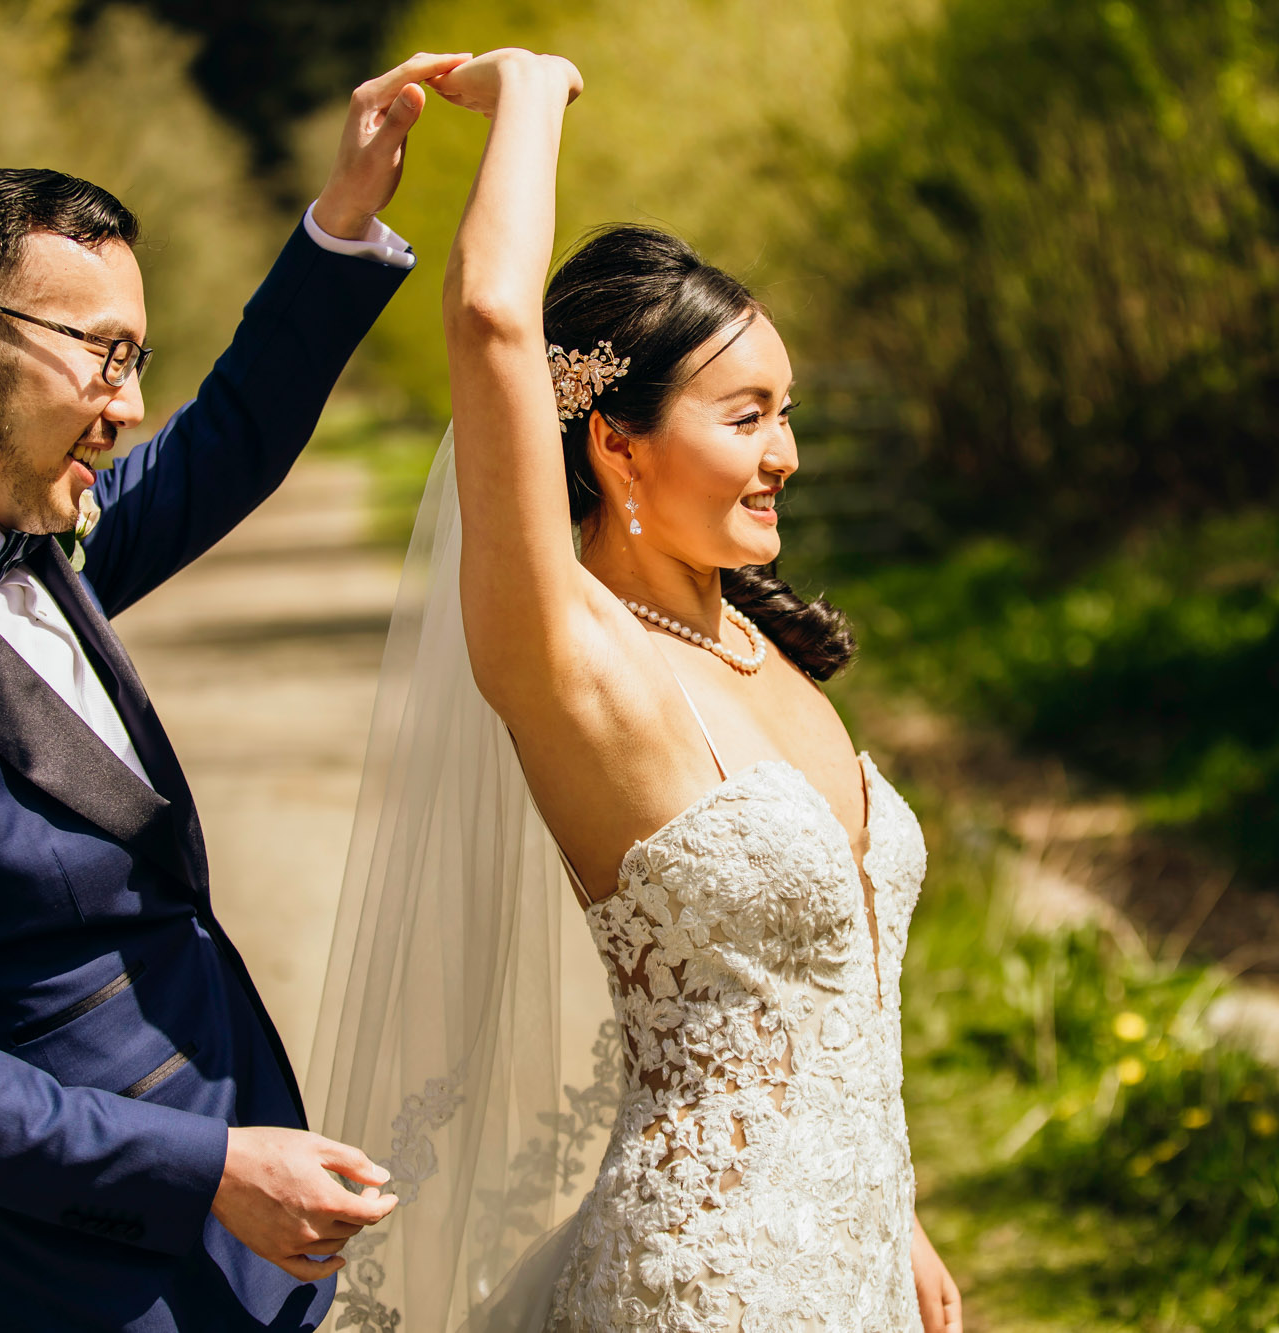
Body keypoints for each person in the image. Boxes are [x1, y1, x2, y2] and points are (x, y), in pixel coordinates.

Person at [0, 50, 472, 1333]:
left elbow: (223, 440)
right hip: (66, 1287)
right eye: (105, 354)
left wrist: (341, 224)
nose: (130, 403)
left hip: (218, 1260)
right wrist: (209, 1168)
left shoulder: (37, 545)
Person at [307, 48, 964, 1332]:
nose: (784, 451)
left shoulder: (761, 651)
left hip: (857, 1265)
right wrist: (532, 93)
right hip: (707, 1288)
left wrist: (897, 1215)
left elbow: (829, 1014)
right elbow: (495, 322)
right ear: (613, 440)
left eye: (786, 411)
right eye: (744, 415)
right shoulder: (573, 657)